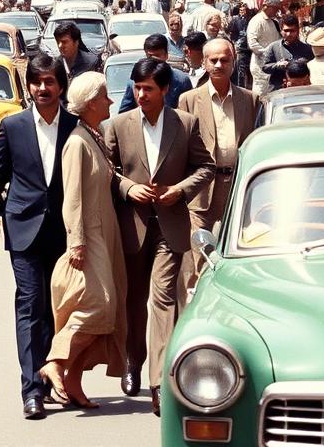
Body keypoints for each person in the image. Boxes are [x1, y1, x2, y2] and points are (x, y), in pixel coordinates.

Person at [103, 57, 214, 416]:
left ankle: (160, 382)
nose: (140, 95)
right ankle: (134, 362)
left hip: (170, 225)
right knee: (134, 300)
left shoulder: (185, 123)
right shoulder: (118, 125)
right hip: (132, 226)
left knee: (163, 298)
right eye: (136, 88)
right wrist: (126, 187)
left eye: (148, 89)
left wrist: (179, 190)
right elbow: (107, 170)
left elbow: (206, 166)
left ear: (165, 90)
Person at [0, 54, 78, 420]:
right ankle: (32, 390)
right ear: (29, 87)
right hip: (23, 229)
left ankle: (54, 376)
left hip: (65, 233)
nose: (42, 88)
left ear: (61, 87)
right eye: (36, 82)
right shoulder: (13, 126)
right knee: (31, 305)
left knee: (58, 311)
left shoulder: (76, 127)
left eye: (49, 82)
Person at [39, 72, 126, 410]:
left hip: (105, 232)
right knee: (99, 305)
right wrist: (76, 241)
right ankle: (56, 362)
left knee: (109, 305)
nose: (111, 101)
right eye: (105, 96)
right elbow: (72, 197)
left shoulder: (95, 134)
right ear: (91, 103)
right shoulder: (76, 142)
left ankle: (73, 381)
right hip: (87, 236)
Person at [176, 38, 256, 299]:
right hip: (202, 190)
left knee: (239, 250)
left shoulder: (250, 100)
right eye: (214, 60)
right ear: (204, 63)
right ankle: (196, 306)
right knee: (197, 257)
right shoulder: (188, 100)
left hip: (238, 186)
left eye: (225, 59)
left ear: (233, 62)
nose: (219, 64)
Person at [117, 34, 191, 113]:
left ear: (166, 55)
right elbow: (124, 114)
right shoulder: (135, 80)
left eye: (157, 56)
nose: (154, 61)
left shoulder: (181, 81)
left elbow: (189, 112)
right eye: (150, 57)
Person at [260, 16, 315, 92]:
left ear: (298, 31)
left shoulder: (307, 49)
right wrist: (277, 65)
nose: (289, 34)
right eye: (286, 31)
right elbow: (264, 67)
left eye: (292, 31)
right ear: (281, 30)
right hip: (278, 89)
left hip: (301, 90)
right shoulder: (273, 47)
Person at [247, 0, 282, 96]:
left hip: (271, 65)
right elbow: (252, 44)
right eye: (275, 9)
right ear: (266, 6)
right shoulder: (257, 21)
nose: (276, 12)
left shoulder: (272, 22)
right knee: (260, 95)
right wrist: (267, 53)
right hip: (261, 66)